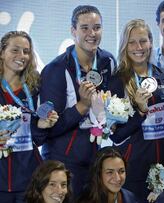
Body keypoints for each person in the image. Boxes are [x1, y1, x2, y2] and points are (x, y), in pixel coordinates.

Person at [39, 5, 116, 196]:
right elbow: (50, 129)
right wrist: (82, 106)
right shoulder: (55, 70)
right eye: (85, 28)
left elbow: (111, 106)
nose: (92, 33)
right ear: (73, 31)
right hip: (61, 163)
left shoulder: (108, 61)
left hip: (93, 160)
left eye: (97, 27)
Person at [108, 19, 164, 202]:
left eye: (143, 41)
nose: (138, 47)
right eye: (132, 42)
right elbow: (116, 136)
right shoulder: (117, 81)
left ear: (151, 42)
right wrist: (140, 111)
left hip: (162, 168)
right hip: (132, 170)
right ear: (125, 46)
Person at [0, 31, 58, 203]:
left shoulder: (34, 89)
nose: (22, 56)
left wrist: (42, 125)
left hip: (27, 178)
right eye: (15, 50)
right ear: (2, 53)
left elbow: (38, 140)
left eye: (26, 51)